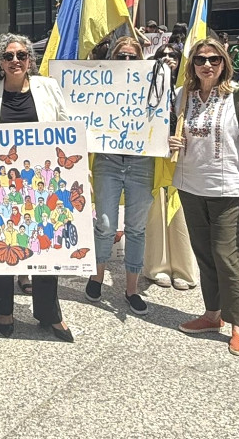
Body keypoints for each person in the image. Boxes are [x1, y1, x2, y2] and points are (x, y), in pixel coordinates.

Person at [167, 38, 239, 356]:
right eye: (200, 59)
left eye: (214, 59)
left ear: (224, 63)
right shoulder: (181, 96)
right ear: (192, 65)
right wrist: (169, 141)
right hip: (190, 187)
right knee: (204, 255)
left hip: (228, 190)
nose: (207, 65)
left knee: (227, 257)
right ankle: (212, 315)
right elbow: (167, 132)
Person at [0, 33, 74, 342]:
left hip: (42, 182)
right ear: (0, 62)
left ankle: (49, 312)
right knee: (5, 240)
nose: (15, 60)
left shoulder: (48, 88)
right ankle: (3, 309)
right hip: (2, 184)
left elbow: (65, 127)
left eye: (21, 55)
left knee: (45, 243)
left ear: (30, 59)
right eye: (9, 56)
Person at [86, 37, 155, 315]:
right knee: (104, 224)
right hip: (108, 159)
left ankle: (131, 289)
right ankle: (97, 277)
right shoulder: (101, 85)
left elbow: (166, 119)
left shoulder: (153, 85)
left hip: (142, 161)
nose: (126, 61)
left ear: (140, 60)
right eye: (121, 56)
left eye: (131, 57)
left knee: (136, 228)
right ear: (112, 59)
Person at [143, 44, 198, 291]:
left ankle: (184, 269)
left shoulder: (188, 91)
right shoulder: (147, 89)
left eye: (172, 55)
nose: (167, 58)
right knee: (155, 211)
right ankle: (157, 267)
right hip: (155, 159)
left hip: (182, 159)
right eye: (162, 55)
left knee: (180, 213)